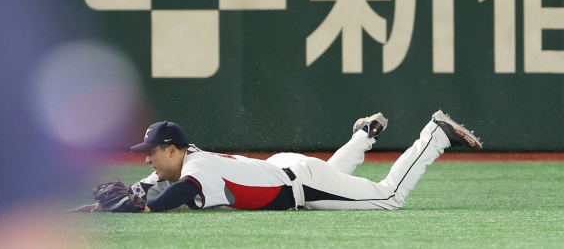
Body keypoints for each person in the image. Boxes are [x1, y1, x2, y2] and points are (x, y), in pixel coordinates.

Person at [72, 110, 482, 212]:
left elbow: (178, 193)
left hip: (295, 180)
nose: (147, 159)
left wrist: (146, 207)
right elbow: (142, 191)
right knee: (331, 176)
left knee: (387, 198)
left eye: (152, 151)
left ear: (173, 149)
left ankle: (434, 135)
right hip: (288, 169)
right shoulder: (184, 160)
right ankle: (363, 134)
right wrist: (92, 211)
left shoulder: (193, 169)